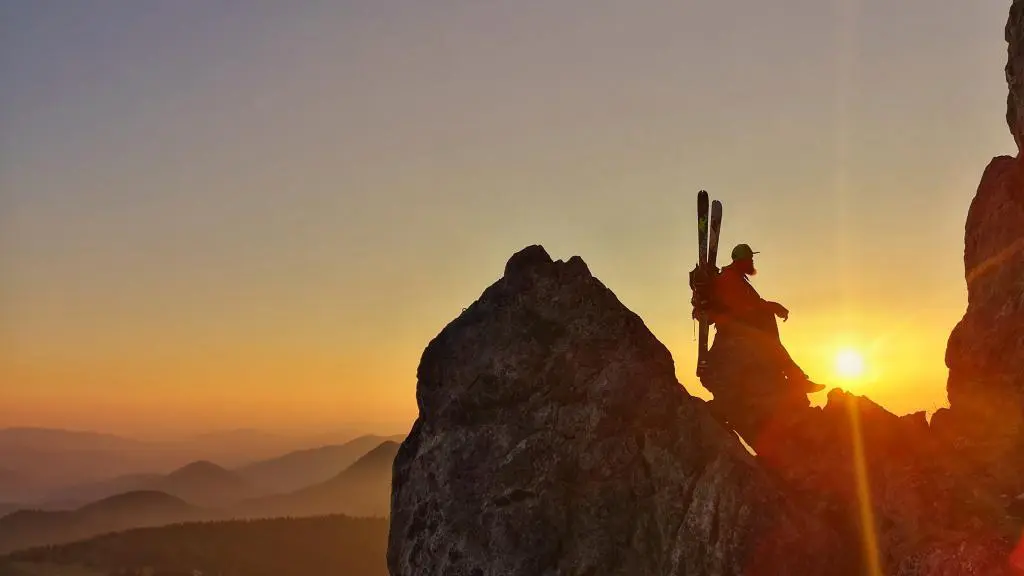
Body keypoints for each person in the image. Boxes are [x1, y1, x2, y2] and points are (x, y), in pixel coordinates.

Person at [709, 243, 825, 393]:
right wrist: (774, 308)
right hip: (733, 327)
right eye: (750, 259)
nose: (752, 262)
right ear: (742, 261)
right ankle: (798, 380)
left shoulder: (735, 277)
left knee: (772, 339)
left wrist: (773, 308)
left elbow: (752, 304)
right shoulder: (730, 279)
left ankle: (796, 378)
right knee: (772, 345)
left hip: (737, 324)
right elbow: (744, 307)